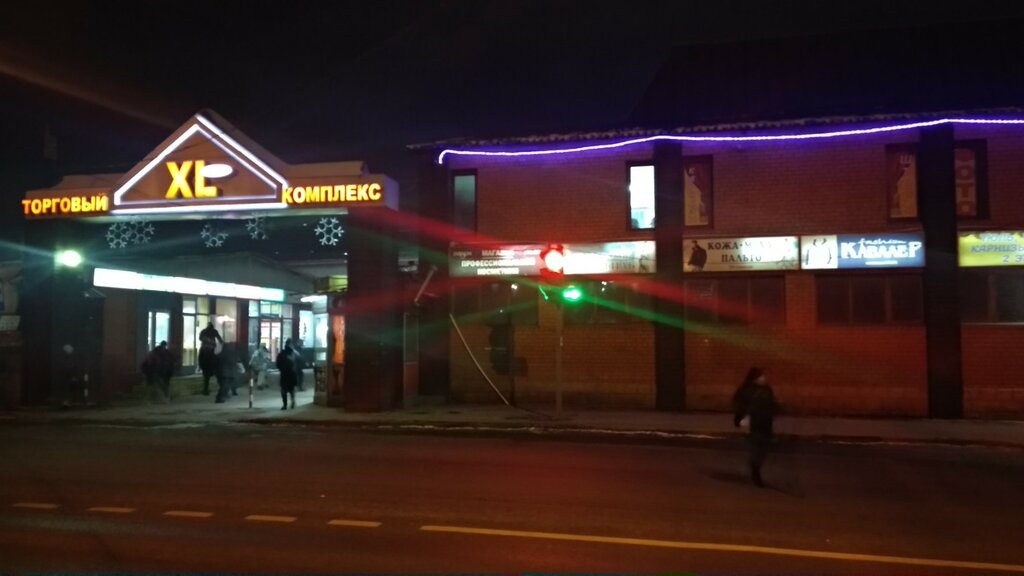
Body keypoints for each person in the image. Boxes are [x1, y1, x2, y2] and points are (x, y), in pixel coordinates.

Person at [732, 367, 779, 487]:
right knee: (756, 447)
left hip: (765, 423)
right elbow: (739, 405)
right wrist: (738, 418)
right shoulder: (745, 390)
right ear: (754, 378)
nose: (763, 378)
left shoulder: (767, 389)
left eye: (763, 376)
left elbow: (771, 404)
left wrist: (776, 408)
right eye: (761, 376)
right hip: (753, 424)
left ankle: (755, 465)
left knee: (764, 448)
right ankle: (756, 471)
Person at [198, 322, 223, 395]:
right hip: (211, 349)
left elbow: (200, 338)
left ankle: (205, 390)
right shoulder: (214, 331)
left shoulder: (204, 331)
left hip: (205, 349)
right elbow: (220, 340)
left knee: (206, 376)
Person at [55, 344, 80, 408]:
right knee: (66, 389)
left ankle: (69, 402)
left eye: (68, 349)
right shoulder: (64, 357)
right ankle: (66, 402)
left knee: (70, 389)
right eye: (66, 349)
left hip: (69, 376)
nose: (67, 350)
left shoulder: (73, 357)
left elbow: (74, 367)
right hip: (65, 376)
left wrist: (74, 376)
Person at [276, 339, 298, 410]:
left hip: (284, 374)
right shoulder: (293, 353)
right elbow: (298, 362)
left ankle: (285, 404)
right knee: (291, 389)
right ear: (290, 344)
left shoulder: (282, 353)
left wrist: (281, 369)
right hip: (291, 374)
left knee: (284, 390)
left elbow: (278, 363)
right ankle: (292, 402)